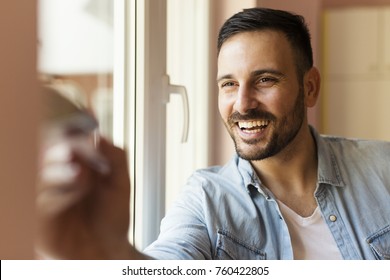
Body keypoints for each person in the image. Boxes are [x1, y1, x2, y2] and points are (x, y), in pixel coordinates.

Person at [36, 7, 390, 260]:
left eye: (265, 80)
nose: (243, 103)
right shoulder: (205, 200)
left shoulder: (382, 167)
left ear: (309, 87)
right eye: (229, 84)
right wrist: (104, 249)